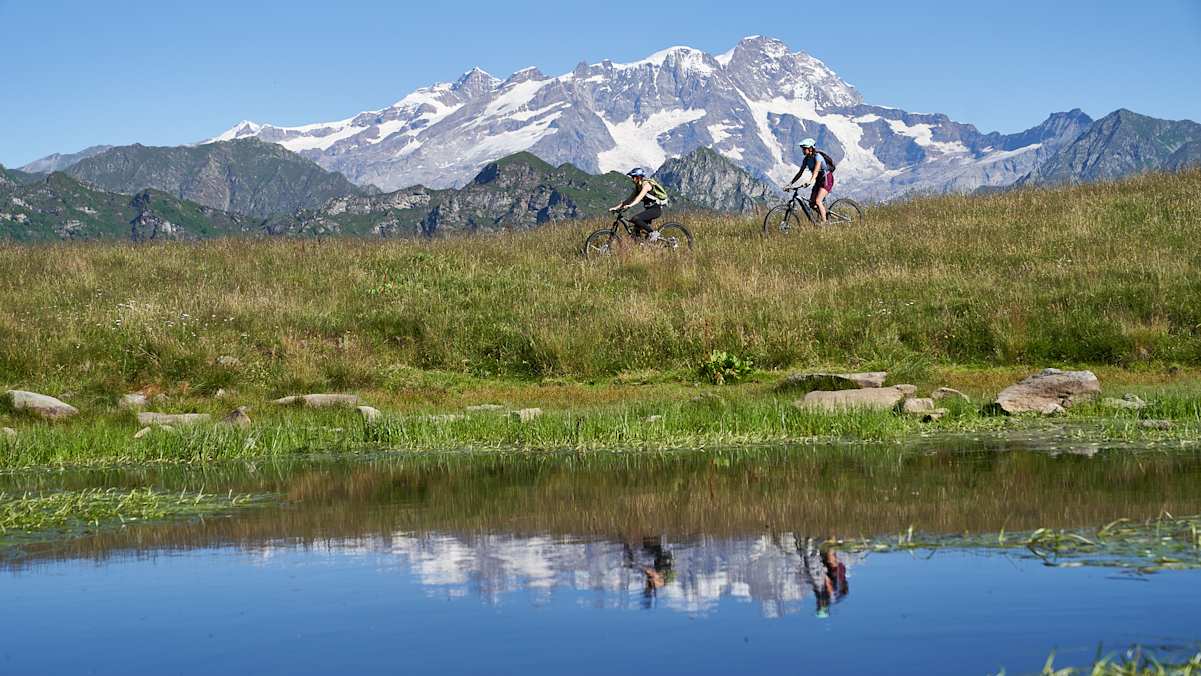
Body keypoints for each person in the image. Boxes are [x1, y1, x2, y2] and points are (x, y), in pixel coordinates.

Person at [783, 138, 837, 224]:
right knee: (812, 204)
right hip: (818, 180)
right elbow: (800, 173)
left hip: (826, 179)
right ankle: (827, 216)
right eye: (802, 148)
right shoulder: (806, 159)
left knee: (818, 201)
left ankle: (825, 225)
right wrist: (790, 184)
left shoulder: (818, 157)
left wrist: (810, 181)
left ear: (811, 148)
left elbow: (815, 171)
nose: (803, 150)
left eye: (804, 148)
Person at [609, 167, 669, 239]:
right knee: (635, 230)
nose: (632, 179)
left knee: (635, 219)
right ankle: (641, 244)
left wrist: (630, 205)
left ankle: (653, 233)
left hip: (655, 210)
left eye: (633, 177)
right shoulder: (638, 187)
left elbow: (638, 198)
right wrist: (616, 207)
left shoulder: (646, 185)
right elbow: (628, 200)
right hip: (648, 210)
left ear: (638, 177)